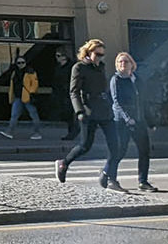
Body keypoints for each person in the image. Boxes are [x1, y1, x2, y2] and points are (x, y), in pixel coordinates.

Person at [55, 38, 116, 187]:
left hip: (104, 110)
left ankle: (108, 174)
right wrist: (80, 111)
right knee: (85, 146)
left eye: (102, 54)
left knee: (116, 145)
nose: (100, 57)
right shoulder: (79, 67)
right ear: (88, 52)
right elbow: (74, 92)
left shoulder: (101, 67)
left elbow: (104, 89)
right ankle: (64, 163)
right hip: (89, 111)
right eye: (97, 54)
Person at [109, 51, 157, 192]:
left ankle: (143, 182)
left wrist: (150, 121)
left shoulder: (137, 80)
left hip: (139, 120)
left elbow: (143, 102)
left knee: (144, 151)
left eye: (125, 61)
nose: (123, 64)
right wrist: (127, 118)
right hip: (122, 122)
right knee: (120, 151)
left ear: (132, 64)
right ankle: (111, 178)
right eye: (120, 62)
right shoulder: (116, 80)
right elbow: (117, 102)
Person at [1, 55, 44, 140]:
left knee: (33, 115)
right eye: (18, 63)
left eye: (22, 62)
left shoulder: (30, 72)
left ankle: (37, 133)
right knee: (14, 115)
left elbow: (34, 84)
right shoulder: (14, 72)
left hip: (27, 96)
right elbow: (12, 84)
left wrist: (31, 92)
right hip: (18, 96)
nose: (20, 64)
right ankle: (9, 132)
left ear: (25, 63)